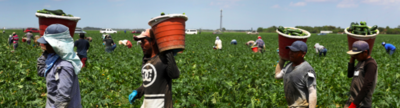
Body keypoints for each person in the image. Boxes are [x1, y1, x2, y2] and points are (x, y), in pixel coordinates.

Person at [129, 29, 181, 108]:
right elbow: (149, 83)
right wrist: (138, 91)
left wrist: (169, 53)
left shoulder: (162, 59)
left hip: (161, 104)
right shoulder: (146, 60)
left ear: (152, 41)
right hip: (148, 104)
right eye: (141, 43)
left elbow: (175, 74)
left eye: (144, 42)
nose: (141, 45)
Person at [36, 24, 83, 108]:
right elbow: (41, 72)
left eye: (47, 43)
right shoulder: (53, 59)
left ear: (57, 45)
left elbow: (63, 98)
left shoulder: (64, 66)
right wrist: (44, 56)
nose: (44, 45)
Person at [274, 41, 317, 107]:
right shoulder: (288, 65)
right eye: (290, 50)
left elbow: (312, 93)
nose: (290, 53)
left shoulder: (307, 70)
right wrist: (282, 59)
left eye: (294, 52)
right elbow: (277, 76)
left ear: (303, 54)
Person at [345, 40, 378, 108]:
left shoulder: (370, 64)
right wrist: (352, 59)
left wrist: (354, 104)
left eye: (357, 54)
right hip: (353, 99)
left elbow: (367, 85)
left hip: (362, 103)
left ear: (365, 52)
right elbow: (350, 74)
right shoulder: (361, 61)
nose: (355, 56)